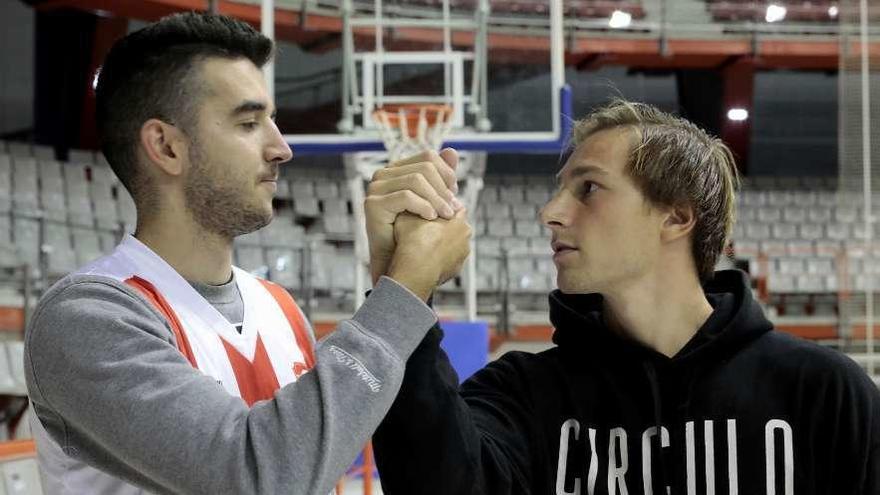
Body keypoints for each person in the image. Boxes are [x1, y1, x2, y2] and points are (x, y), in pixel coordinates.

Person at [24, 12, 470, 495]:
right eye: (249, 122)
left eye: (272, 121)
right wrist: (404, 289)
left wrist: (393, 283)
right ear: (166, 147)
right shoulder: (87, 318)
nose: (281, 148)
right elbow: (260, 476)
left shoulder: (279, 308)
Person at [372, 100, 880, 494]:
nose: (550, 211)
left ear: (677, 217)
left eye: (588, 188)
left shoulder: (822, 393)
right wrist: (400, 282)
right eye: (559, 189)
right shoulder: (523, 393)